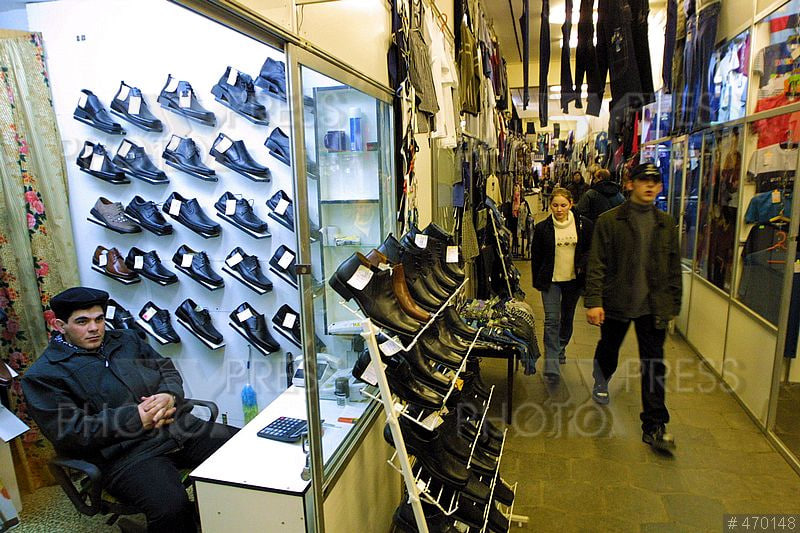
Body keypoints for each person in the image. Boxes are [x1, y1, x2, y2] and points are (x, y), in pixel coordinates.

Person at [22, 287, 238, 532]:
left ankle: (222, 517)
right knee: (171, 507)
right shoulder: (44, 375)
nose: (94, 328)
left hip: (179, 429)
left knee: (248, 451)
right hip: (126, 455)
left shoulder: (127, 340)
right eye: (82, 322)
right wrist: (136, 418)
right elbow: (71, 432)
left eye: (99, 319)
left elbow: (166, 369)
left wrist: (169, 395)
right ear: (60, 326)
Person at [584, 163, 681, 450]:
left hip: (652, 307)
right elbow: (597, 263)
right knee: (609, 349)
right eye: (643, 180)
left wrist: (673, 304)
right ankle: (601, 379)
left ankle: (655, 425)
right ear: (630, 184)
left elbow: (673, 267)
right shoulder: (610, 220)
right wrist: (594, 301)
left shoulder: (666, 223)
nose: (649, 185)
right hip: (617, 301)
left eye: (654, 181)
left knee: (654, 365)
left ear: (660, 187)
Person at [531, 188, 594, 384]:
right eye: (555, 205)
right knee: (551, 320)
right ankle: (551, 364)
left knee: (566, 319)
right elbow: (536, 256)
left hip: (573, 281)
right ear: (550, 206)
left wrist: (583, 266)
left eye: (563, 205)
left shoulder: (584, 225)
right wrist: (537, 280)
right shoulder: (542, 228)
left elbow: (590, 250)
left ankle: (560, 347)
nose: (559, 209)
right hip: (551, 281)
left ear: (571, 204)